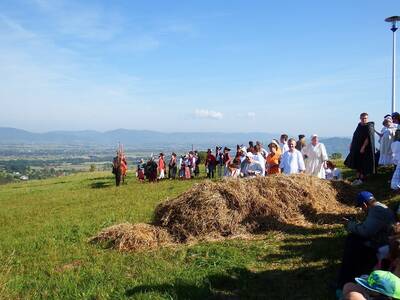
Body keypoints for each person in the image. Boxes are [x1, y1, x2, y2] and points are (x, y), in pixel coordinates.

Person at [336, 191, 396, 295]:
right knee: (353, 239)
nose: (362, 210)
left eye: (361, 207)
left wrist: (349, 224)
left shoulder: (376, 210)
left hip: (383, 244)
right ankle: (347, 277)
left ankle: (344, 282)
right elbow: (369, 226)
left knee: (352, 242)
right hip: (384, 240)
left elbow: (365, 231)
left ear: (364, 204)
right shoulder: (379, 207)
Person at [344, 112, 376, 185]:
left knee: (363, 163)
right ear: (360, 118)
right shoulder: (359, 125)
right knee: (357, 162)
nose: (364, 120)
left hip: (365, 149)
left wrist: (363, 147)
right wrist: (351, 144)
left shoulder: (369, 126)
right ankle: (357, 178)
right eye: (362, 118)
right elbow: (355, 135)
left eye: (365, 118)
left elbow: (368, 138)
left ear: (367, 118)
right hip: (356, 146)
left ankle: (362, 179)